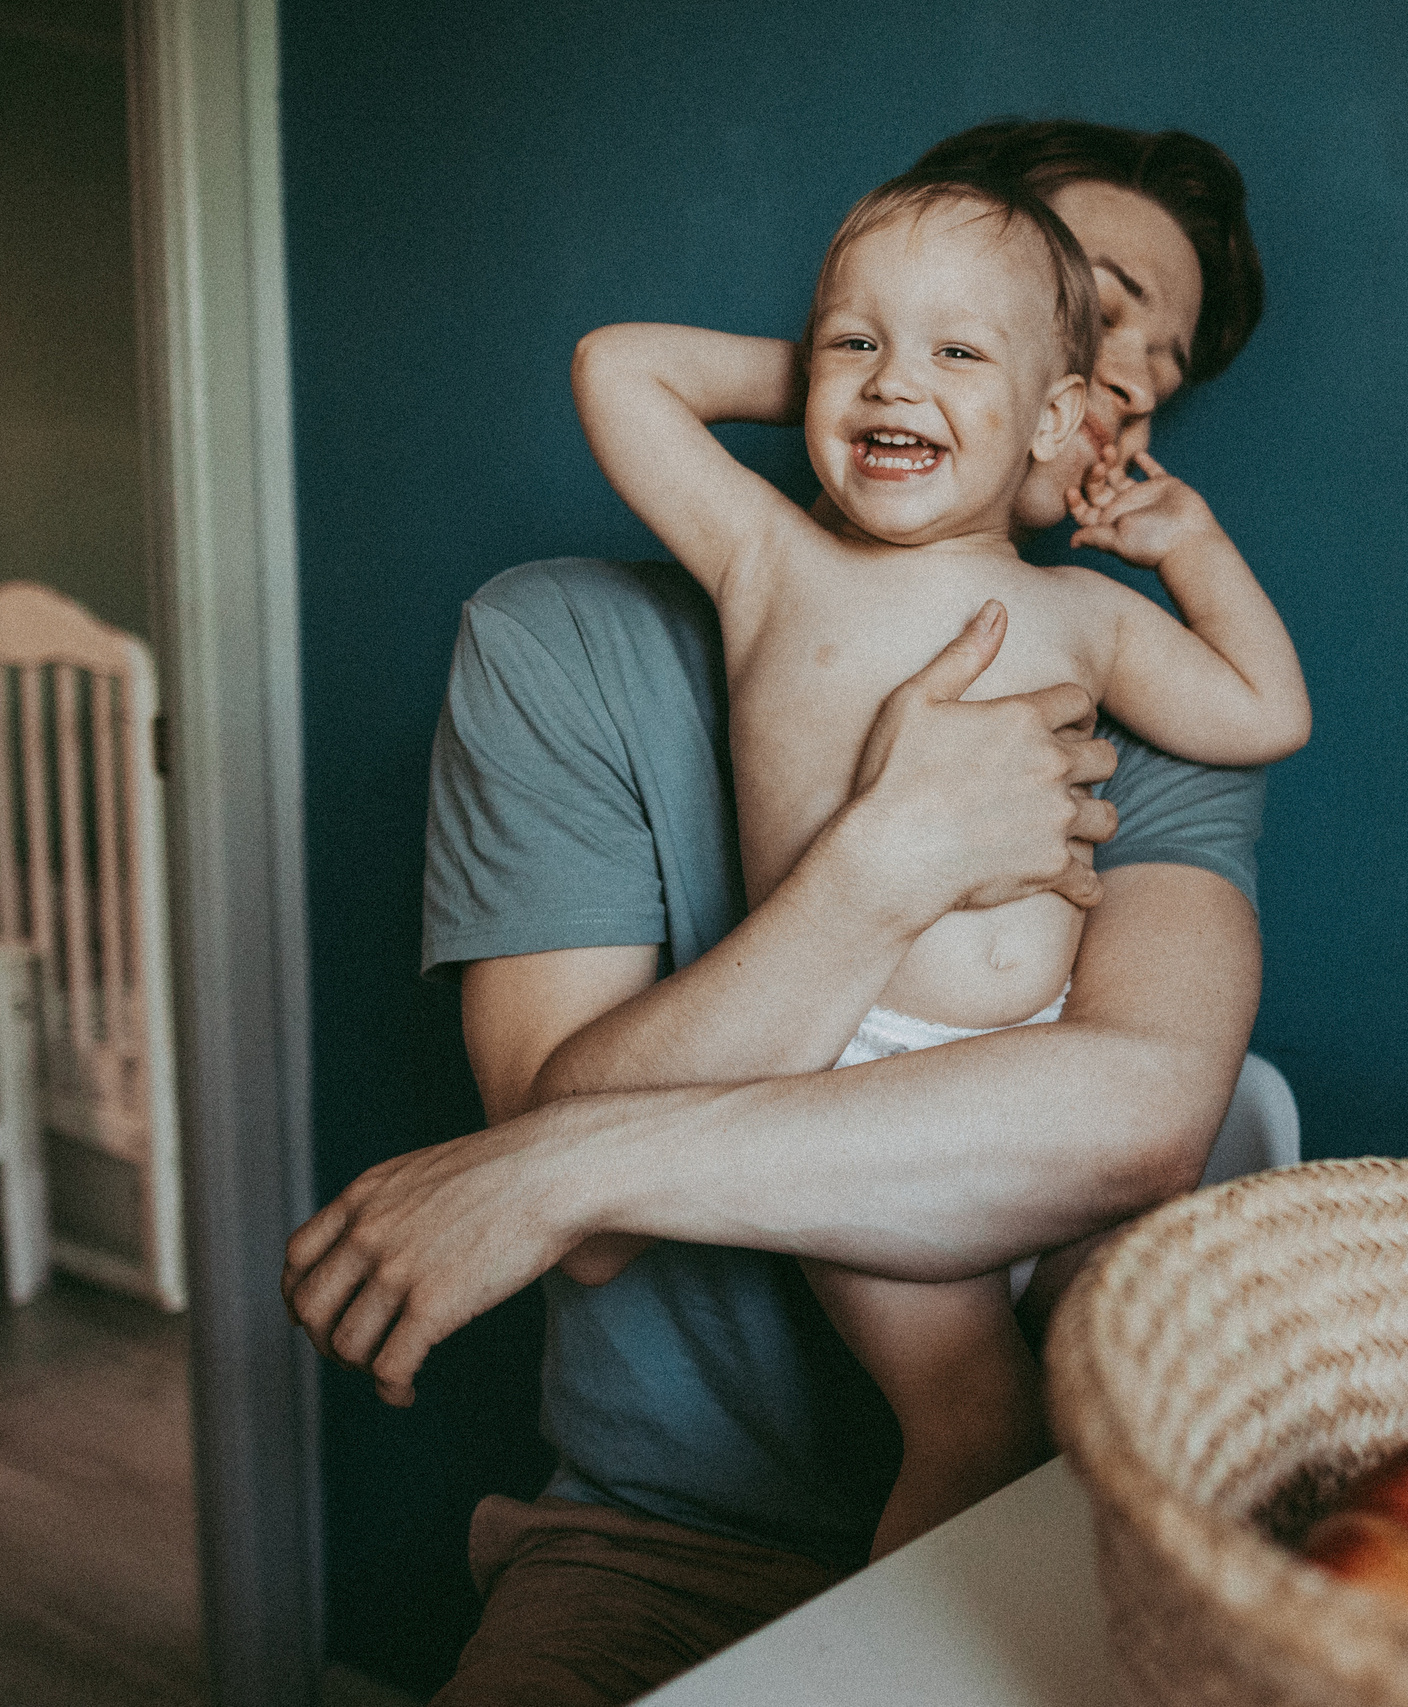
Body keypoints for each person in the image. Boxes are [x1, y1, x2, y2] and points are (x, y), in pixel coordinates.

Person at [282, 120, 1275, 1707]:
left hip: (1058, 1519)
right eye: (1071, 293)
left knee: (984, 1444)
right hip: (650, 1543)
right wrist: (883, 863)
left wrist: (553, 1159)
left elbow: (1140, 1118)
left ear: (1097, 412)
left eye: (1133, 352)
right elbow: (594, 1249)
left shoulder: (1128, 680)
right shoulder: (577, 641)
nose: (1115, 365)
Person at [569, 164, 1306, 1559]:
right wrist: (891, 361)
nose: (896, 383)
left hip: (1041, 1071)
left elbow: (1266, 712)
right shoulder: (772, 564)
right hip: (850, 1081)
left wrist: (1190, 543)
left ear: (1058, 414)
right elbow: (620, 370)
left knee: (1137, 1430)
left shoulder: (1087, 613)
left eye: (959, 351)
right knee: (976, 1432)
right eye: (859, 342)